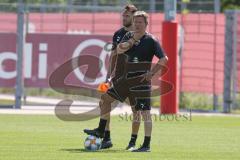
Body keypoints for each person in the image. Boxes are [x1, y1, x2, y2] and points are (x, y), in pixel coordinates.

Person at [84, 10, 168, 152]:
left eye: (140, 22)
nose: (137, 25)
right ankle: (100, 130)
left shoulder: (151, 40)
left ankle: (145, 145)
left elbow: (164, 59)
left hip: (140, 82)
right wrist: (133, 40)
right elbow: (120, 50)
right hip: (125, 80)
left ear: (146, 24)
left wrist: (152, 73)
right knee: (105, 99)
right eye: (135, 22)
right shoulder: (129, 36)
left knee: (143, 112)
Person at [94, 4, 141, 150]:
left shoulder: (142, 35)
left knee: (136, 111)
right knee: (103, 101)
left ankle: (132, 142)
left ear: (134, 17)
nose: (124, 17)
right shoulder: (118, 34)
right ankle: (106, 137)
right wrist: (108, 76)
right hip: (118, 79)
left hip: (135, 80)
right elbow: (113, 55)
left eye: (127, 16)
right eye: (123, 15)